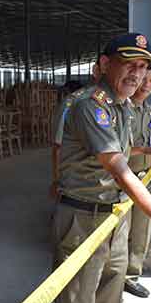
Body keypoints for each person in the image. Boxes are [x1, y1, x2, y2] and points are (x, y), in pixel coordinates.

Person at [53, 33, 151, 303]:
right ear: (105, 64)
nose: (137, 74)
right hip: (83, 218)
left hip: (115, 216)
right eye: (129, 64)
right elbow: (119, 168)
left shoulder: (125, 108)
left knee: (109, 302)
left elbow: (127, 153)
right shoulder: (89, 106)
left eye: (143, 67)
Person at [124, 66, 151, 298]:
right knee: (120, 229)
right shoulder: (122, 109)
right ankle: (113, 274)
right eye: (144, 79)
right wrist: (145, 149)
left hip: (146, 178)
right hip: (124, 178)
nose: (147, 84)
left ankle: (131, 275)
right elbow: (118, 149)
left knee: (141, 230)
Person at [50, 63, 101, 200]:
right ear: (96, 71)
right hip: (80, 188)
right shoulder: (72, 103)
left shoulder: (120, 105)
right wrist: (56, 181)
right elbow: (57, 147)